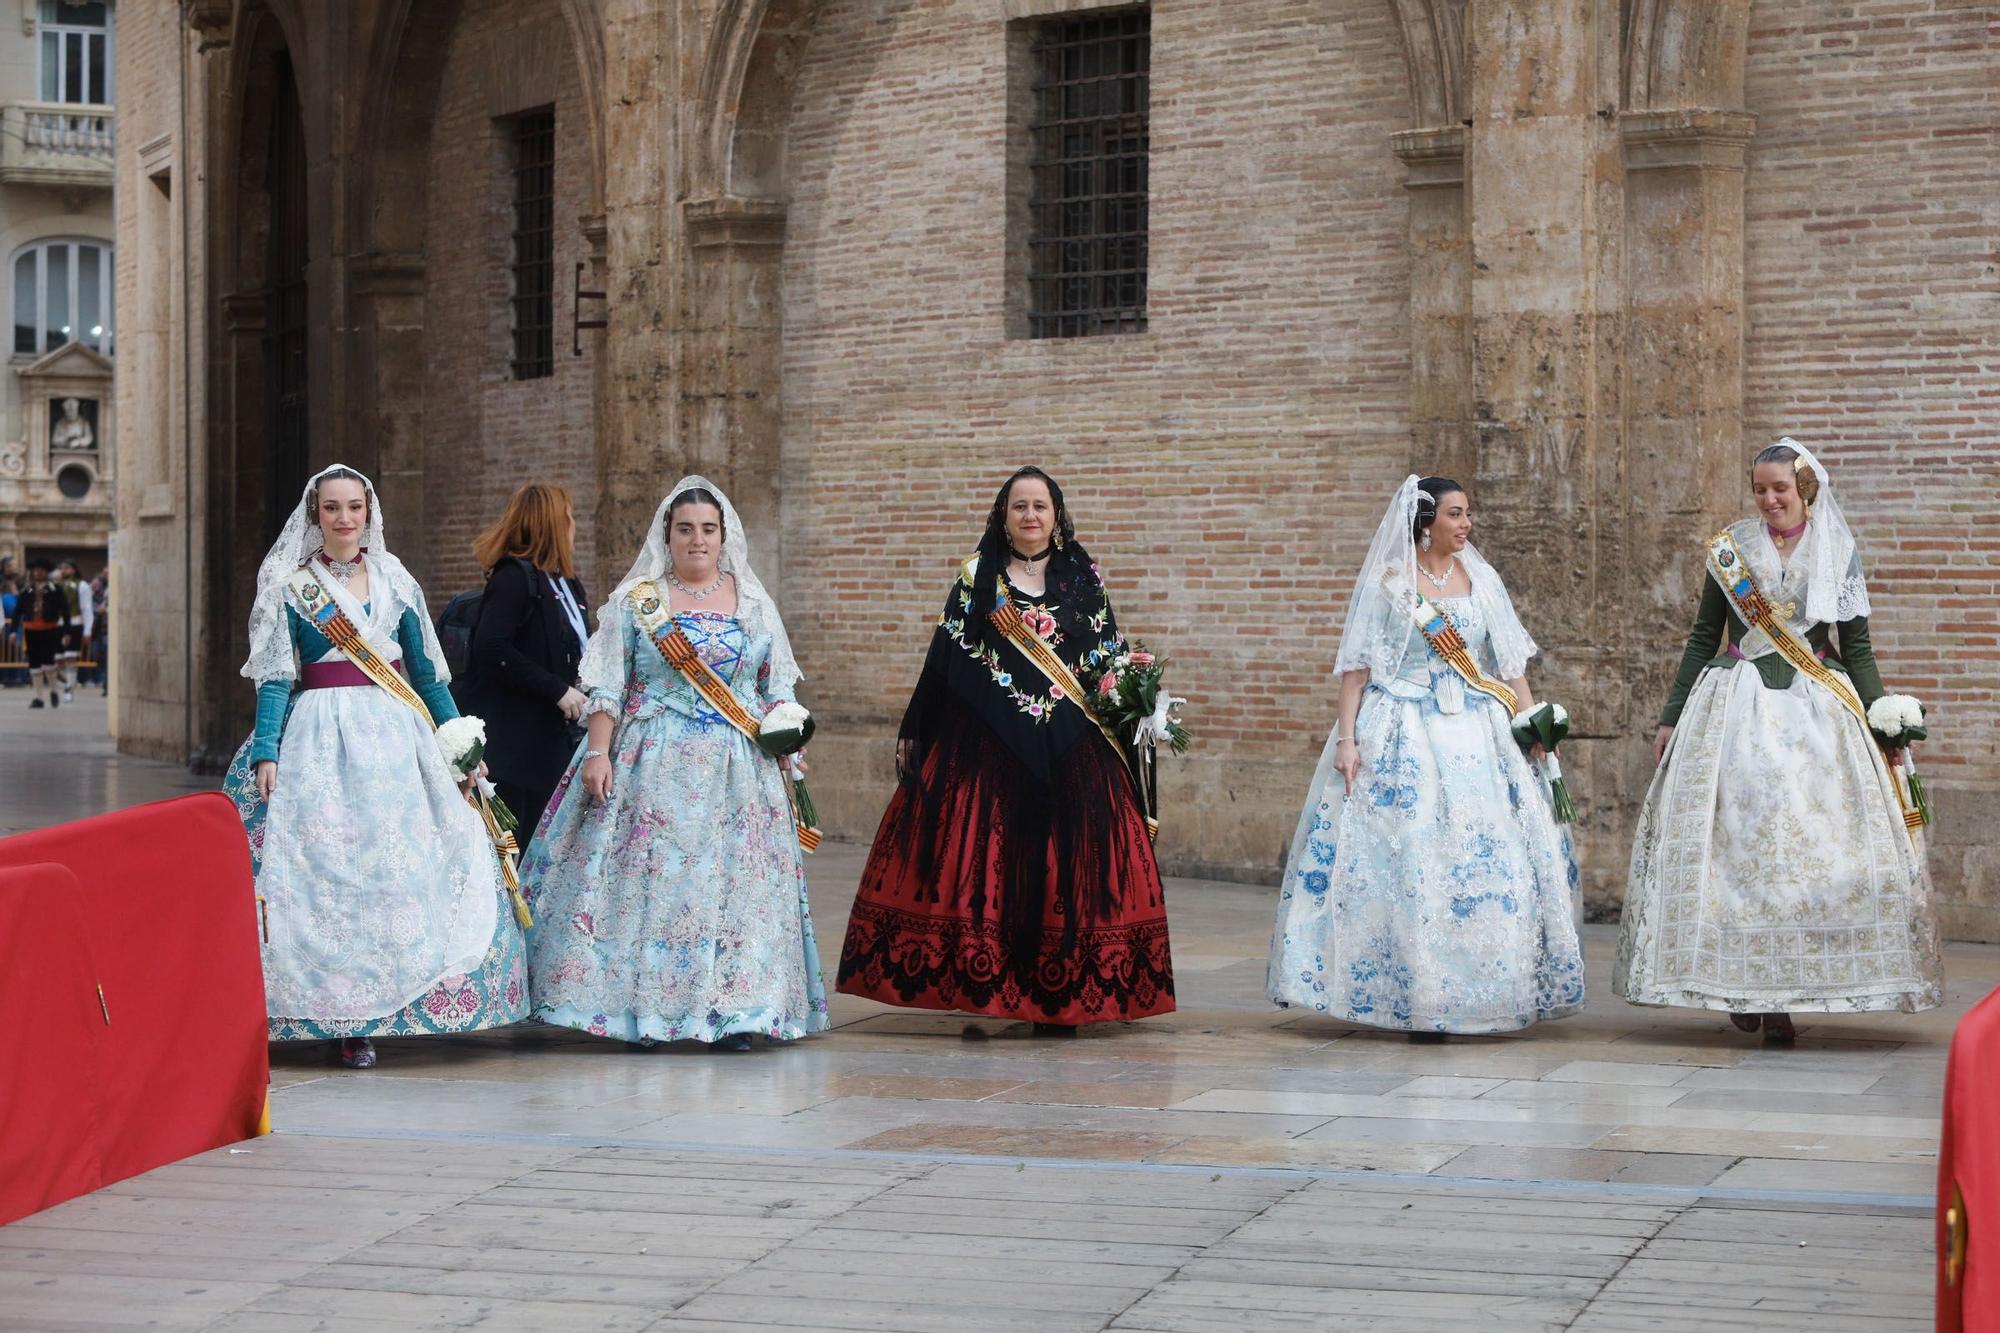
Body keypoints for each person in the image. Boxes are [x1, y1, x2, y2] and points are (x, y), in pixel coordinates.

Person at [1615, 439, 1941, 1038]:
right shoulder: (1729, 551)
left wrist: (1884, 718)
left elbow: (1856, 649)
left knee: (1813, 849)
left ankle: (1790, 988)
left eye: (1779, 489)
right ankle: (1751, 992)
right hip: (1735, 708)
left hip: (1820, 710)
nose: (1768, 499)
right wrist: (1669, 716)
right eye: (1760, 488)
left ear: (1804, 489)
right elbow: (1702, 638)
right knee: (1743, 847)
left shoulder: (1837, 551)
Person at [835, 466, 1175, 1033]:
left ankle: (1067, 995)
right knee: (986, 867)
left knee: (1070, 867)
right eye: (1019, 506)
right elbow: (948, 657)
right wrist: (924, 730)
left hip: (1072, 742)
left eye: (1040, 506)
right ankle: (994, 987)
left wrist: (1128, 691)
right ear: (1003, 515)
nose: (1030, 516)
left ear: (1056, 515)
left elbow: (1104, 653)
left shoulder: (1083, 578)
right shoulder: (977, 577)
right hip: (989, 743)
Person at [221, 464, 528, 1068]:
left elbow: (427, 674)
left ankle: (390, 1009)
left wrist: (458, 743)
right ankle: (341, 1015)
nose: (343, 519)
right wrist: (266, 749)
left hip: (396, 739)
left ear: (368, 512)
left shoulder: (395, 580)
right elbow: (278, 678)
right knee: (328, 874)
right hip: (319, 739)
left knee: (399, 871)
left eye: (354, 507)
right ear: (316, 516)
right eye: (331, 508)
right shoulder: (291, 586)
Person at [1266, 475, 1583, 1038]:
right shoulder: (1390, 584)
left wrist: (1531, 724)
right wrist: (1347, 740)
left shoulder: (1482, 579)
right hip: (1403, 733)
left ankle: (1491, 988)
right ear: (1426, 522)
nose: (1466, 525)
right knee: (1412, 860)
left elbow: (1511, 666)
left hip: (1480, 734)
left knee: (1490, 858)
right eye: (1456, 515)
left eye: (1467, 515)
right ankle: (1416, 991)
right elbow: (1357, 671)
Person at [521, 475, 829, 1050]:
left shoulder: (754, 603)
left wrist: (787, 730)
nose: (697, 540)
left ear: (723, 536)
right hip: (652, 761)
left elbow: (775, 685)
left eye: (707, 530)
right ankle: (653, 1012)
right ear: (668, 535)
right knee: (658, 889)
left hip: (739, 769)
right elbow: (610, 684)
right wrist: (596, 752)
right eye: (685, 529)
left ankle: (737, 1011)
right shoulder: (637, 602)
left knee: (735, 890)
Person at [460, 483, 590, 852]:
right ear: (552, 523)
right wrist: (557, 690)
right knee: (520, 848)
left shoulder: (568, 584)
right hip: (517, 745)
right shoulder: (513, 578)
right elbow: (491, 646)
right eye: (569, 516)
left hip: (554, 739)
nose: (574, 524)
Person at [18, 557, 71, 709]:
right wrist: (15, 629)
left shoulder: (55, 589)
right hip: (31, 629)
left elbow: (65, 611)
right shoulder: (27, 590)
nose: (38, 573)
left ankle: (53, 690)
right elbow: (18, 610)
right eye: (36, 570)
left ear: (46, 572)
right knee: (34, 664)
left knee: (48, 663)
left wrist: (67, 632)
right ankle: (38, 697)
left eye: (41, 570)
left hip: (49, 629)